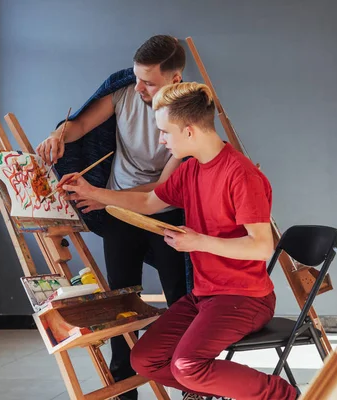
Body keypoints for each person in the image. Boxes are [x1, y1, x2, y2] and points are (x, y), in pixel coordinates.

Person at [59, 82, 298, 400]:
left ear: (188, 131)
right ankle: (219, 388)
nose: (161, 140)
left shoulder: (241, 175)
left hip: (246, 298)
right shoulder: (190, 172)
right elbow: (147, 203)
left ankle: (284, 396)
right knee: (145, 360)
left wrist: (200, 242)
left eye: (165, 132)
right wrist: (92, 193)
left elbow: (262, 246)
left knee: (187, 365)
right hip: (204, 297)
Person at [36, 35, 189, 400]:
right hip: (118, 210)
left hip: (165, 213)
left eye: (148, 82)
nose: (138, 88)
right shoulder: (124, 90)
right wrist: (59, 134)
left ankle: (188, 382)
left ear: (176, 79)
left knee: (181, 299)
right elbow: (80, 126)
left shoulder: (189, 116)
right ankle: (123, 385)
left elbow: (162, 191)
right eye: (136, 77)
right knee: (121, 301)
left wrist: (101, 196)